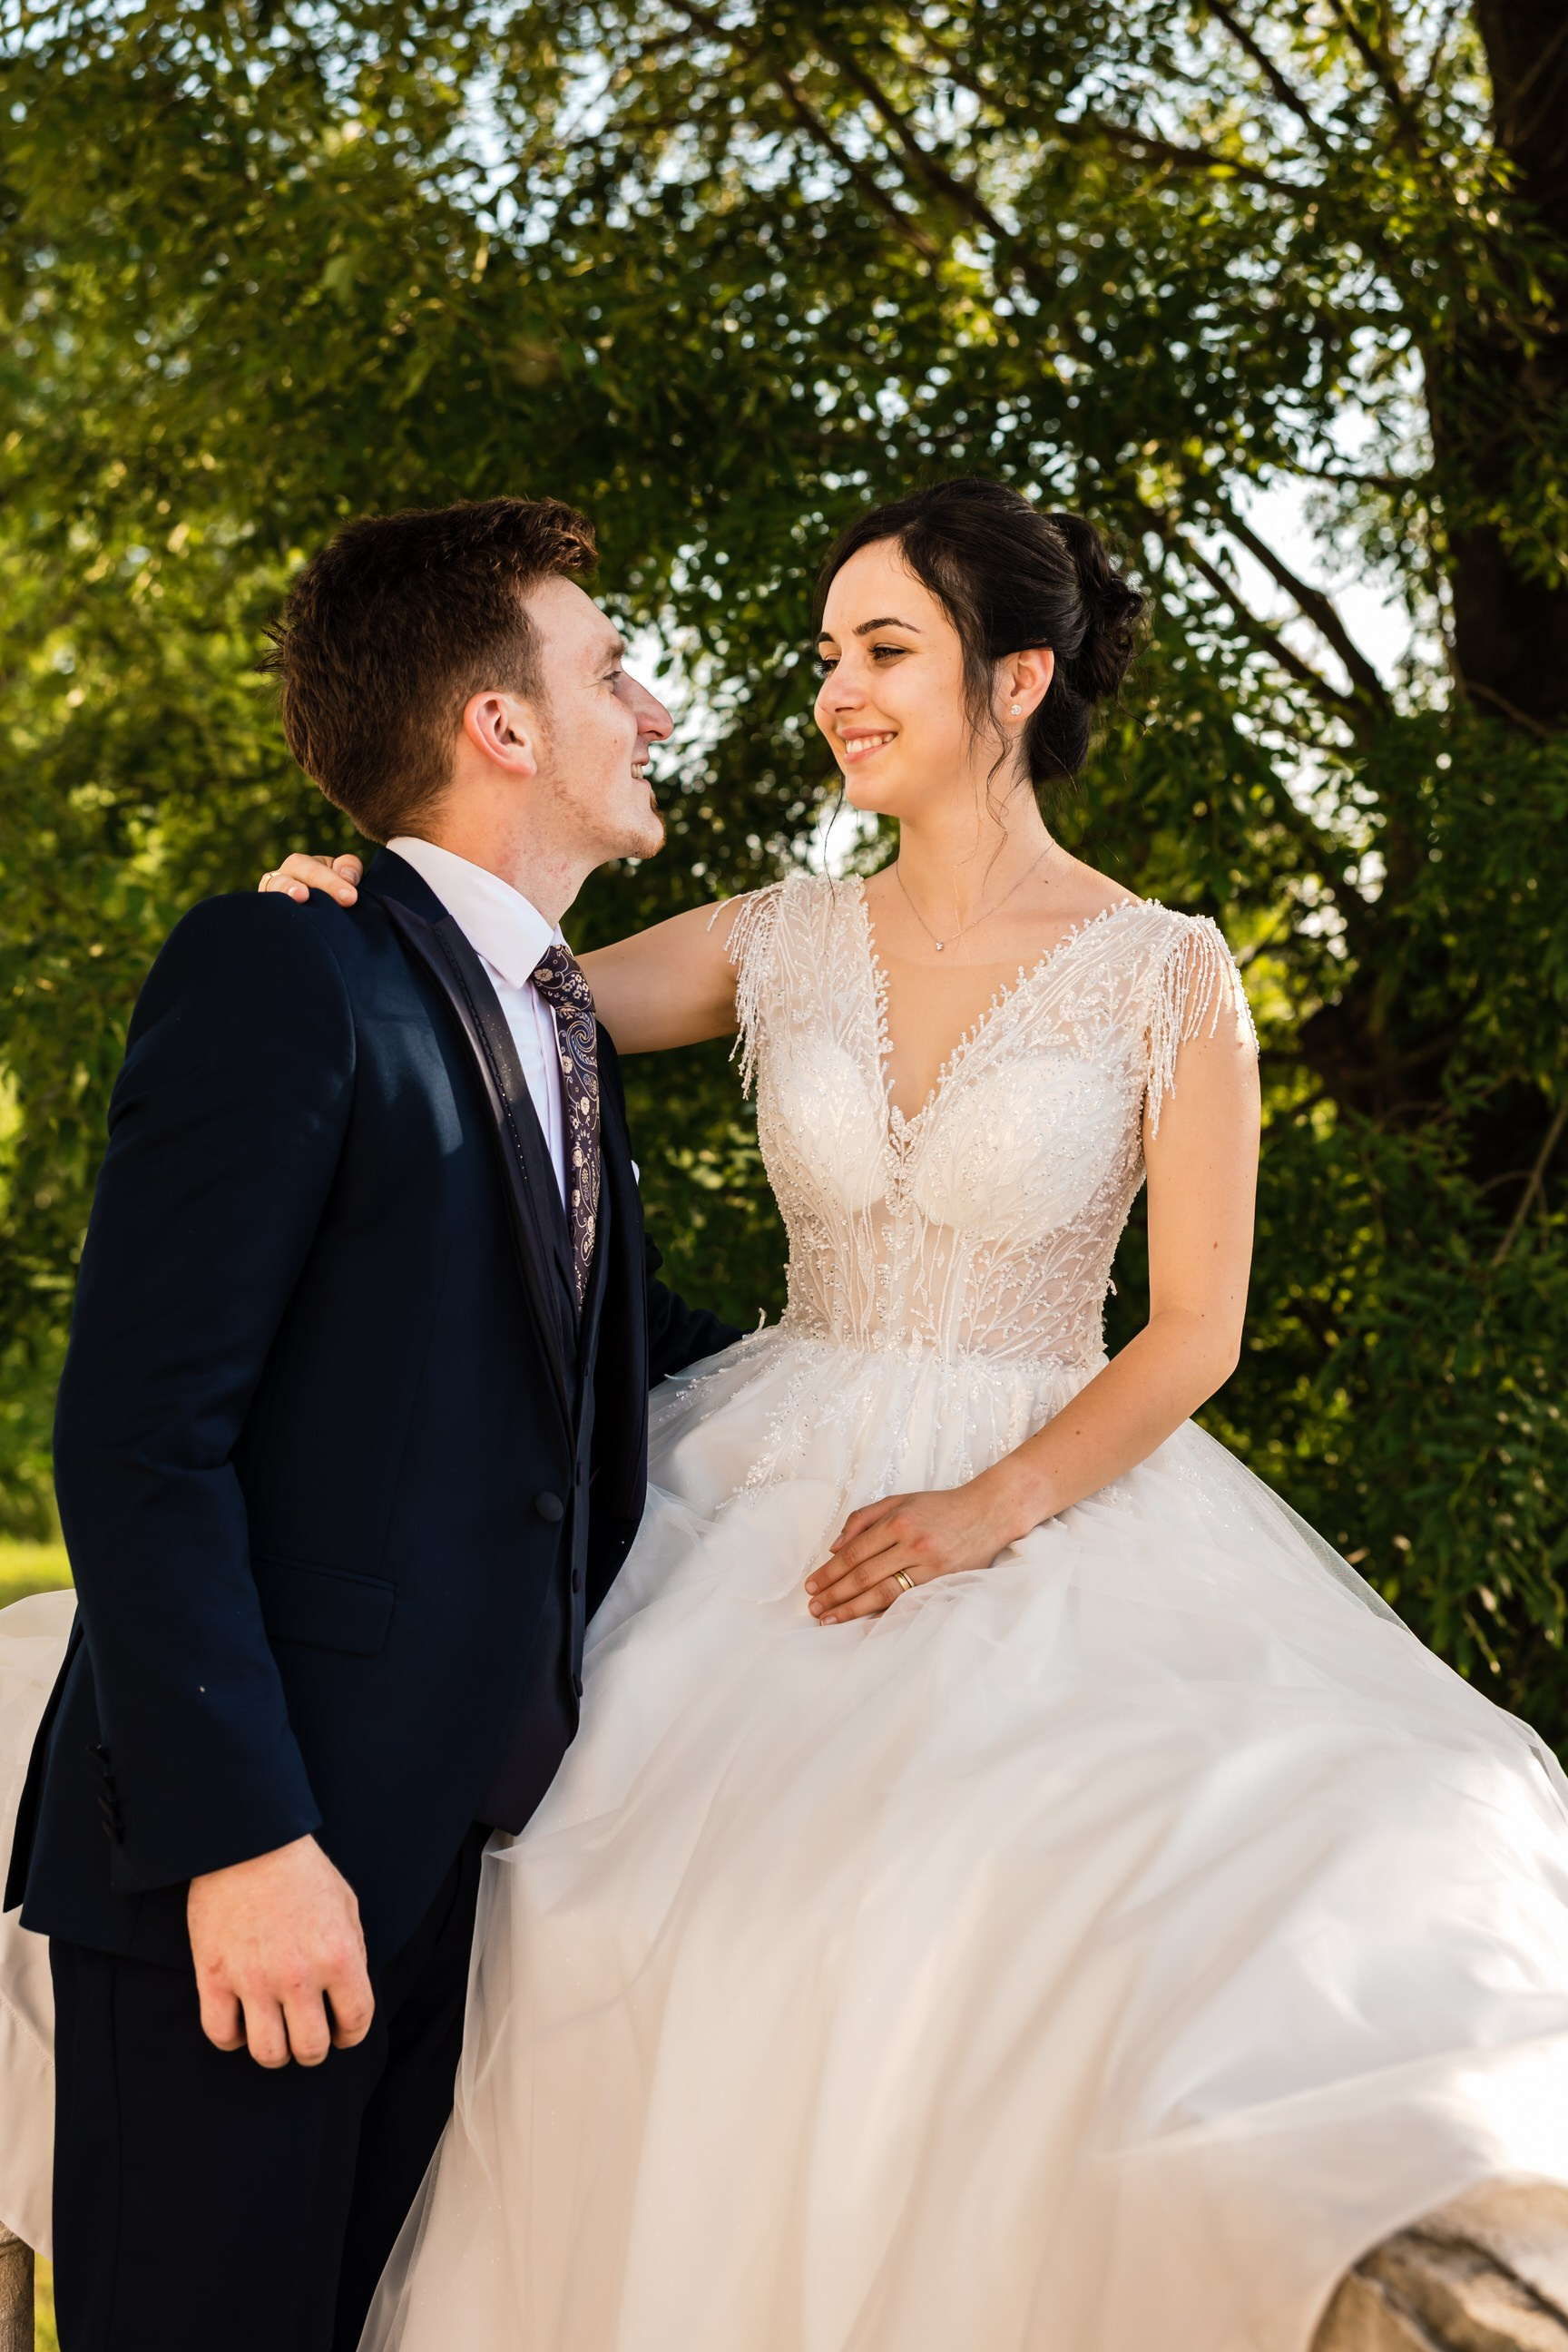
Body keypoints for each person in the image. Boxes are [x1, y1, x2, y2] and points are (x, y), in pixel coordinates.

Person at [250, 480, 1568, 2352]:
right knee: (626, 1896)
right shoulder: (777, 936)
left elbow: (1194, 1333)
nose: (837, 693)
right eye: (827, 655)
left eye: (886, 650)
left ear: (1015, 680)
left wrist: (986, 1507)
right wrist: (354, 910)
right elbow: (489, 991)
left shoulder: (1170, 971)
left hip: (1049, 1500)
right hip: (763, 1482)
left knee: (1056, 1899)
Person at [0, 495, 738, 2352]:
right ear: (500, 725)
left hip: (453, 1878)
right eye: (611, 672)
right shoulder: (285, 967)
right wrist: (242, 1843)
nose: (650, 710)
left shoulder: (559, 1028)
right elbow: (142, 1434)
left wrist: (953, 1398)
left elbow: (619, 1355)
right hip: (254, 1876)